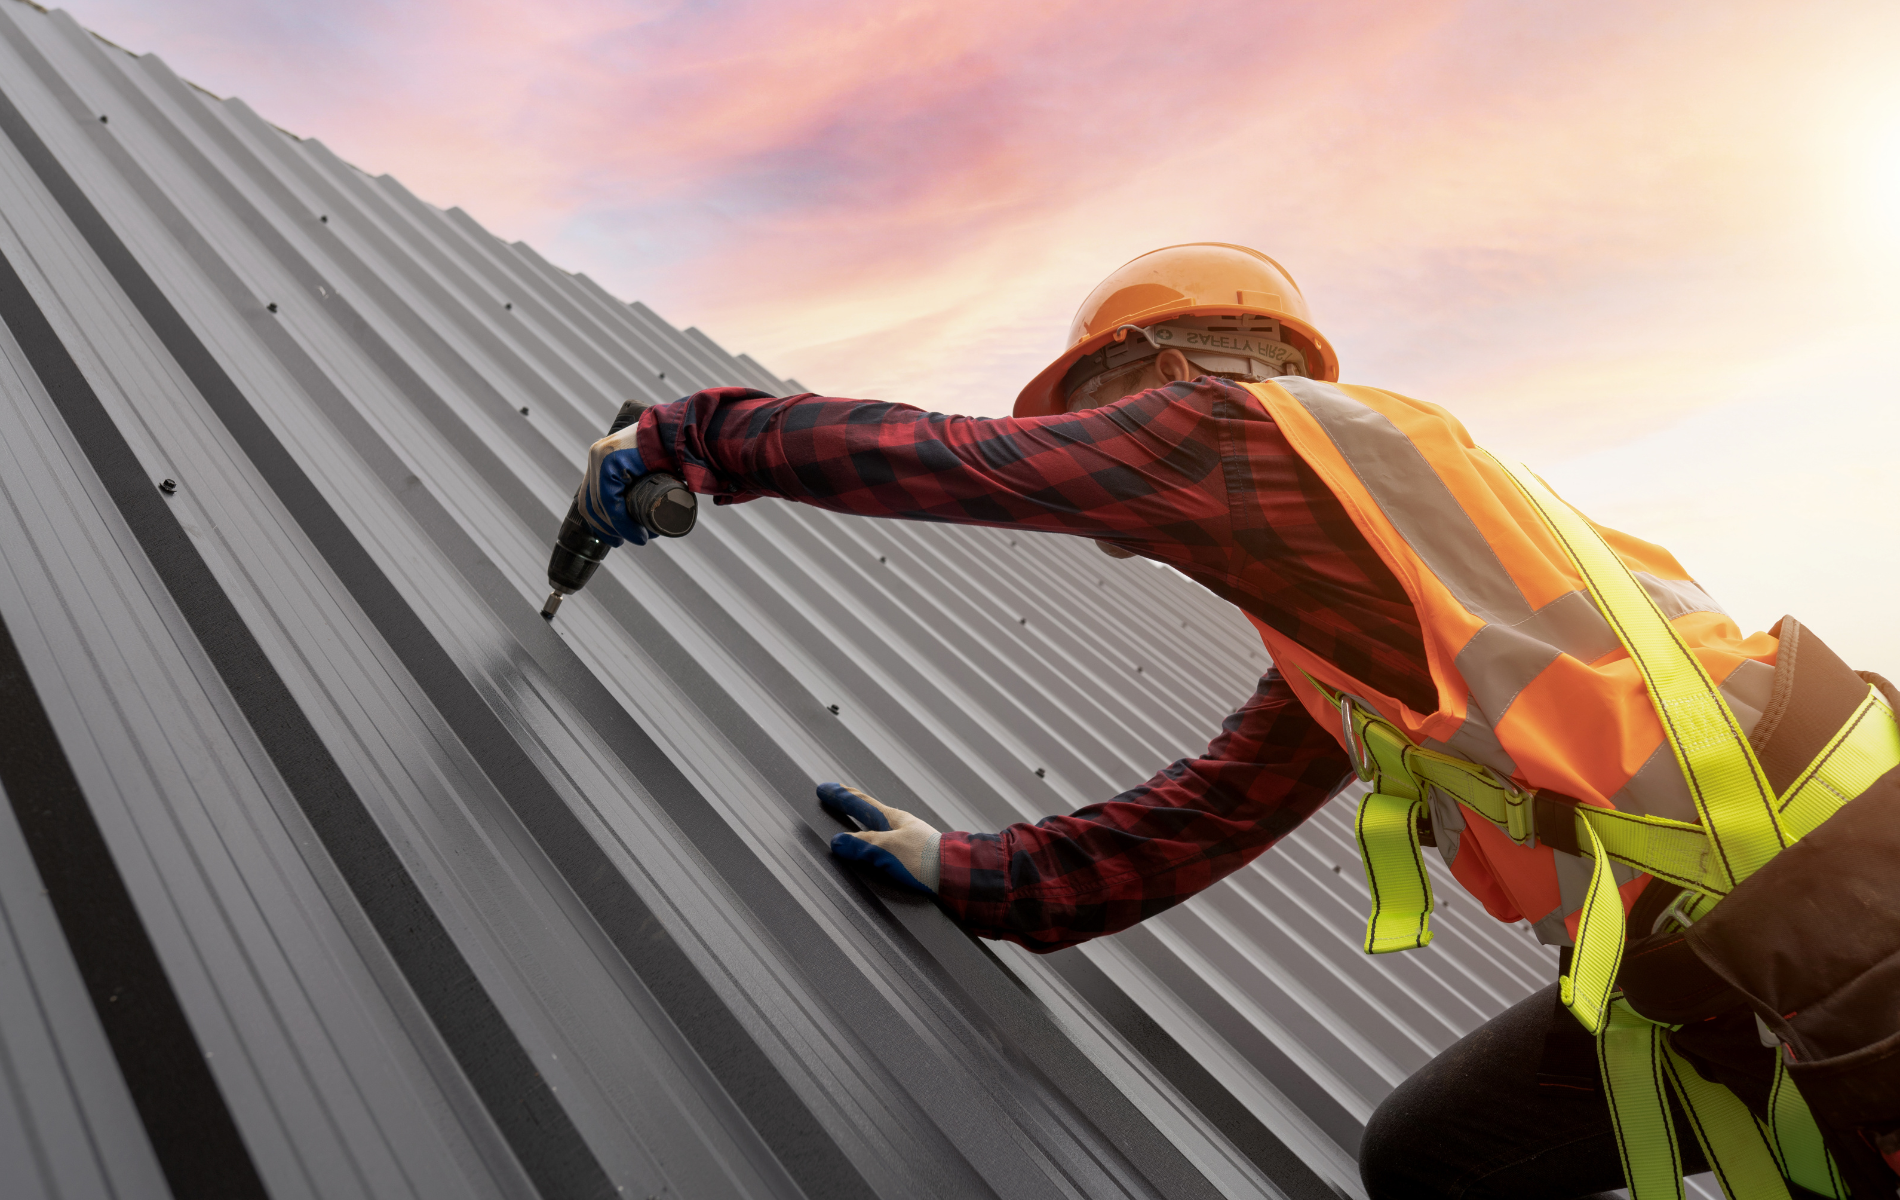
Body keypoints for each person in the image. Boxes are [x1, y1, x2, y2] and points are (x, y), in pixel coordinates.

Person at [575, 244, 1898, 1199]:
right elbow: (1207, 814)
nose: (1103, 477)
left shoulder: (1249, 432)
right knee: (1435, 1161)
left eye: (1098, 413)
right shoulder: (1367, 600)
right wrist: (977, 873)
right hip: (1707, 960)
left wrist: (693, 436)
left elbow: (961, 463)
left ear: (1173, 364)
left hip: (1850, 904)